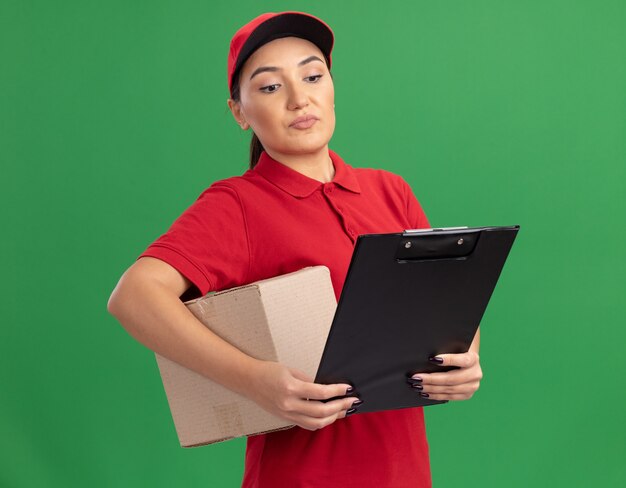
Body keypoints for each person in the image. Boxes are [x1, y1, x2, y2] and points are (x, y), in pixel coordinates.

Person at [107, 11, 483, 488]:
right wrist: (254, 380)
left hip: (403, 472)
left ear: (331, 84)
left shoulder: (391, 192)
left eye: (312, 75)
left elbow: (446, 300)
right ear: (239, 112)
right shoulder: (238, 204)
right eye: (269, 87)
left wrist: (465, 357)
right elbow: (134, 296)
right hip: (299, 476)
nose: (299, 98)